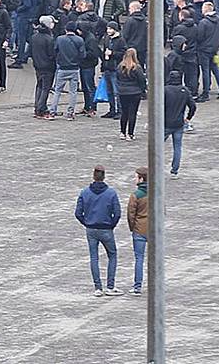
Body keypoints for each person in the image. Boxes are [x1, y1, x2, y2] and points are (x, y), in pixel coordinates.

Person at [74, 165, 122, 296]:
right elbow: (117, 213)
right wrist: (111, 225)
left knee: (94, 258)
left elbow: (78, 213)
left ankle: (98, 288)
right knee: (112, 255)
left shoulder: (84, 192)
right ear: (104, 176)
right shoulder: (111, 193)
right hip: (106, 229)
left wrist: (87, 223)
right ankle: (110, 286)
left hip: (91, 229)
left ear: (93, 176)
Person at [163, 70, 196, 178]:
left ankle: (155, 168)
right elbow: (193, 106)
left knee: (157, 146)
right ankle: (174, 171)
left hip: (165, 123)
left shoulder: (165, 90)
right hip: (178, 123)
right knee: (177, 147)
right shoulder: (184, 90)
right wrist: (188, 118)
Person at [50, 22, 85, 120]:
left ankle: (53, 111)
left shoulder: (60, 39)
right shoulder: (79, 40)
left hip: (62, 68)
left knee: (57, 91)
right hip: (74, 68)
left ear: (66, 29)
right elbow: (83, 55)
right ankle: (70, 113)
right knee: (73, 92)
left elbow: (55, 51)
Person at [126, 167, 149, 295]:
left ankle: (137, 287)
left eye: (136, 177)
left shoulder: (136, 195)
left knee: (139, 258)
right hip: (153, 230)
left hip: (139, 229)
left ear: (141, 178)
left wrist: (133, 227)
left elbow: (131, 214)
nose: (134, 179)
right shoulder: (156, 192)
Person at [114, 48, 145, 141]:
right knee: (132, 113)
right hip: (135, 92)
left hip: (123, 92)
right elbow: (141, 80)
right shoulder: (136, 68)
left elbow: (117, 78)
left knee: (124, 112)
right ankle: (130, 133)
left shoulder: (120, 67)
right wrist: (142, 89)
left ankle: (122, 132)